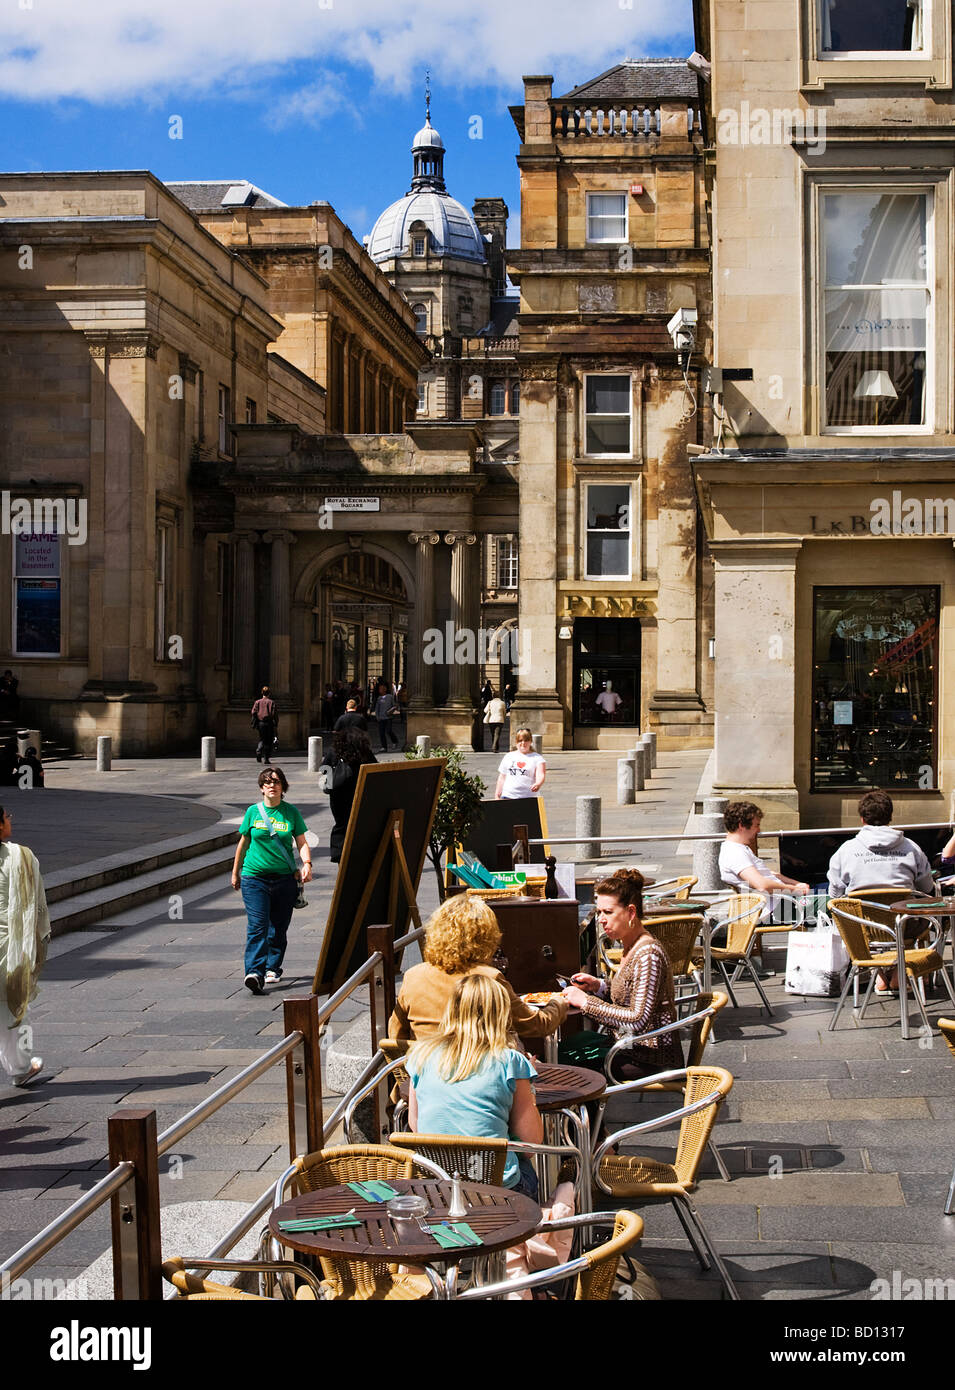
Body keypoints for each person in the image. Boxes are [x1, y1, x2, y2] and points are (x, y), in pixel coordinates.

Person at [406, 973, 543, 1198]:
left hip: (437, 1186)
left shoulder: (420, 1056)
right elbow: (531, 1143)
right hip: (498, 1189)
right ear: (500, 1014)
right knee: (526, 1169)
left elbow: (417, 1125)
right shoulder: (510, 1061)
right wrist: (530, 1087)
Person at [389, 894, 567, 1043]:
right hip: (476, 1073)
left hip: (425, 1074)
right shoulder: (489, 978)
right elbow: (536, 1025)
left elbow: (396, 1034)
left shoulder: (414, 976)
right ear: (486, 937)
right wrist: (559, 1003)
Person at [559, 868, 683, 1075]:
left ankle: (583, 1105)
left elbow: (637, 1020)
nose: (601, 919)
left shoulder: (648, 954)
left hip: (648, 1057)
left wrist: (585, 1001)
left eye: (608, 912)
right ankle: (583, 1106)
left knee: (565, 1064)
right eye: (599, 912)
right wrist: (598, 987)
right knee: (565, 1048)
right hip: (627, 1046)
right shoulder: (631, 946)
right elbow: (630, 997)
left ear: (631, 913)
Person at [828, 791, 934, 993]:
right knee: (913, 917)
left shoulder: (846, 850)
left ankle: (880, 975)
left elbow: (835, 893)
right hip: (904, 925)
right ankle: (897, 974)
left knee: (862, 921)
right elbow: (926, 887)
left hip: (862, 928)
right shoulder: (911, 847)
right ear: (891, 817)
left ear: (862, 818)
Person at [232, 767, 312, 995]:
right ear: (261, 788)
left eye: (276, 782)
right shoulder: (253, 812)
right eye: (267, 782)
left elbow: (302, 842)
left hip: (284, 880)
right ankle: (254, 973)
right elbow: (243, 844)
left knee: (278, 927)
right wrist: (235, 872)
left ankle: (273, 966)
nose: (272, 785)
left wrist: (307, 864)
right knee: (258, 926)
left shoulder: (291, 813)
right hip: (254, 878)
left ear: (283, 787)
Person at [0, 804, 49, 1086]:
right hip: (8, 945)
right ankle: (19, 1067)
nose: (9, 820)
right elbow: (35, 907)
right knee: (10, 1007)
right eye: (6, 817)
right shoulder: (20, 856)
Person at [719, 801, 809, 921]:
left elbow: (769, 874)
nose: (759, 830)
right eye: (756, 825)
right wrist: (795, 889)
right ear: (741, 825)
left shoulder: (738, 848)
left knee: (829, 894)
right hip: (778, 907)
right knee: (835, 902)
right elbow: (761, 885)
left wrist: (796, 884)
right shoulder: (735, 853)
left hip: (781, 902)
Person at [327, 727, 377, 864]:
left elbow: (324, 769)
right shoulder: (365, 753)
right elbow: (375, 770)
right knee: (359, 825)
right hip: (360, 794)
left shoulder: (334, 751)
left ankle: (340, 856)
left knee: (341, 823)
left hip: (338, 795)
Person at [495, 727, 545, 801]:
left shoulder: (537, 758)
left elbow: (540, 774)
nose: (523, 743)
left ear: (531, 741)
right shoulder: (508, 756)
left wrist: (538, 783)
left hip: (528, 797)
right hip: (508, 795)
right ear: (516, 742)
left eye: (526, 740)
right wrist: (497, 794)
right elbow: (502, 777)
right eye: (520, 741)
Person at [250, 686, 277, 765]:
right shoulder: (271, 702)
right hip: (269, 723)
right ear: (269, 693)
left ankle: (259, 750)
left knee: (262, 739)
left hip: (261, 723)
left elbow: (253, 712)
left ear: (262, 693)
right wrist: (276, 723)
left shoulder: (257, 702)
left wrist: (256, 720)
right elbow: (274, 714)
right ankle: (266, 758)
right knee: (268, 741)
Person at [374, 686, 400, 752]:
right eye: (379, 689)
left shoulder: (390, 697)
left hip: (388, 717)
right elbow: (377, 708)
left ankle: (395, 741)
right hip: (381, 718)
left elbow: (394, 705)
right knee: (381, 733)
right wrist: (377, 716)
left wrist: (391, 711)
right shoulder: (379, 698)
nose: (380, 690)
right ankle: (384, 747)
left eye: (381, 689)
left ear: (385, 690)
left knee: (389, 731)